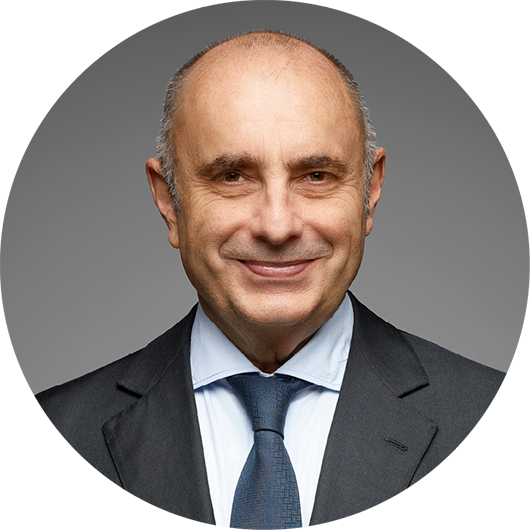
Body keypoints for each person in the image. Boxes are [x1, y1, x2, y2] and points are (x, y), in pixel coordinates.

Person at [33, 30, 506, 528]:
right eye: (232, 176)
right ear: (169, 201)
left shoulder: (494, 421)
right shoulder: (59, 432)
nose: (277, 226)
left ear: (370, 191)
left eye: (316, 176)